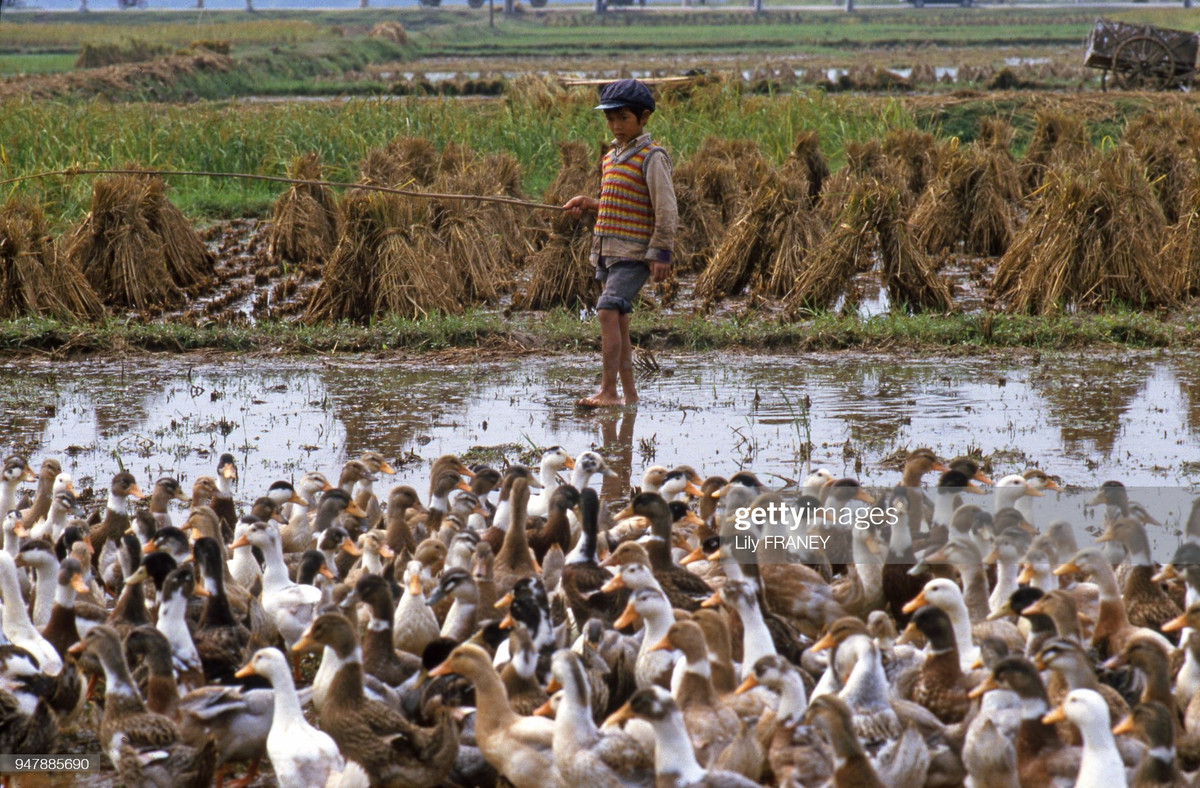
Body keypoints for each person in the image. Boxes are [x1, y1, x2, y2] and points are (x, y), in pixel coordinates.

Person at [564, 78, 677, 408]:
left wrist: (661, 252)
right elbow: (617, 203)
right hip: (607, 252)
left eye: (623, 118)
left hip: (633, 253)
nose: (616, 126)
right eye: (610, 119)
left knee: (607, 309)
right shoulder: (610, 158)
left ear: (644, 117)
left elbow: (666, 208)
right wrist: (589, 203)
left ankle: (608, 392)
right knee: (619, 319)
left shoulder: (652, 157)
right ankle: (629, 395)